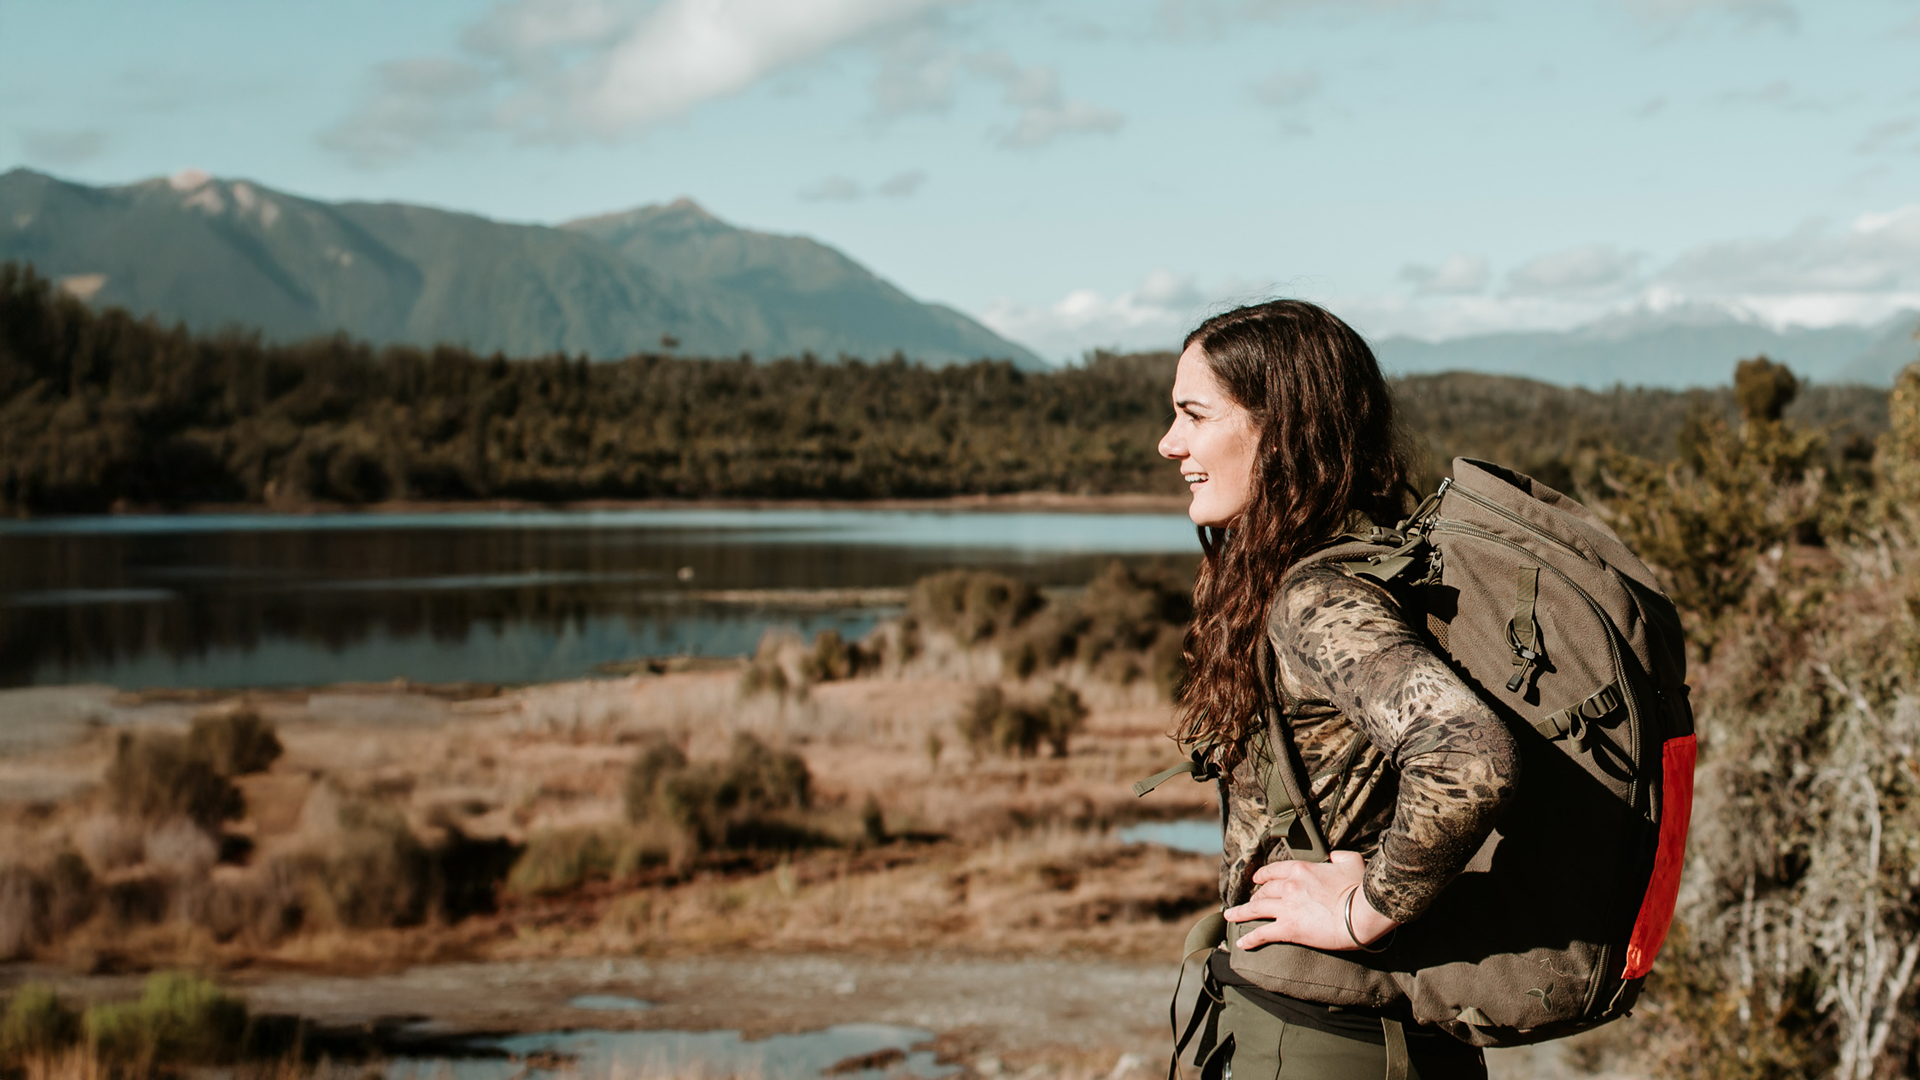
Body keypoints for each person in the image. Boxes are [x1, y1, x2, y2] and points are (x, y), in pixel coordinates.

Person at [1155, 300, 1518, 1079]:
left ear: (1279, 430)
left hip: (1329, 1037)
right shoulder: (1366, 563)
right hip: (1352, 1024)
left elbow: (1470, 755)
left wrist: (1363, 910)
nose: (1170, 442)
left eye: (1194, 415)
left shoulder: (1319, 598)